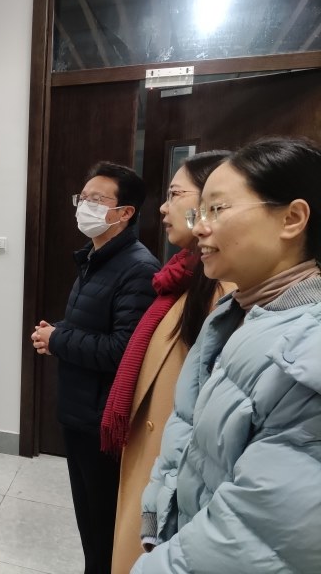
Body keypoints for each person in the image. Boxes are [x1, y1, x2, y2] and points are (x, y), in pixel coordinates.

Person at [133, 138, 321, 574]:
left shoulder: (307, 350)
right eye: (199, 213)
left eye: (216, 209)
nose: (200, 228)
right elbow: (188, 431)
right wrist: (157, 518)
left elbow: (257, 535)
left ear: (292, 218)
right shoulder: (234, 313)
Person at [101, 152, 234, 574]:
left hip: (172, 465)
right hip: (154, 454)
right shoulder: (182, 278)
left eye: (176, 194)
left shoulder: (222, 292)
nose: (163, 207)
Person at [30, 162, 160, 574]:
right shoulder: (95, 258)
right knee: (88, 522)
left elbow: (124, 349)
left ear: (125, 212)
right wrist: (58, 331)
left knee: (102, 527)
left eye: (96, 199)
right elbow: (92, 324)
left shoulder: (138, 268)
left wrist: (58, 340)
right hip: (79, 410)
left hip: (101, 419)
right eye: (82, 198)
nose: (84, 206)